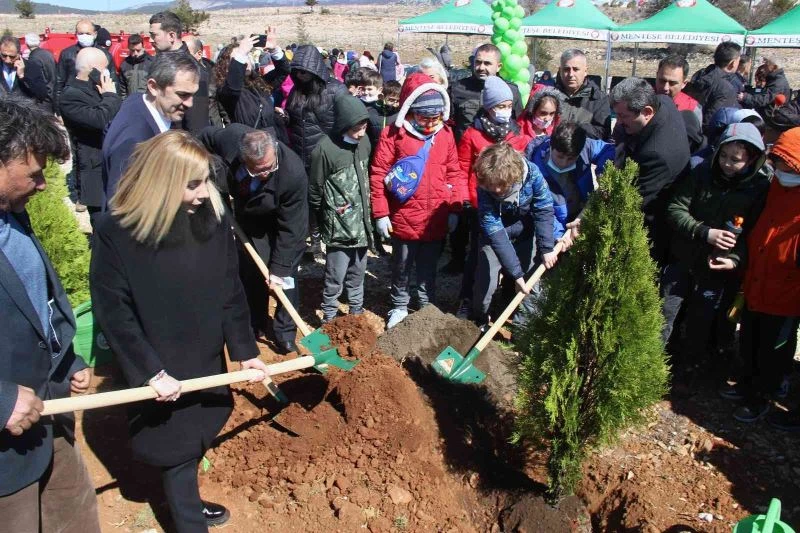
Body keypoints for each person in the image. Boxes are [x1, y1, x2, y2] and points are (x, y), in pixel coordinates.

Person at [90, 131, 270, 531]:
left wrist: (244, 348)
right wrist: (149, 370)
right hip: (158, 356)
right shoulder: (117, 231)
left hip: (203, 351)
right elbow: (114, 310)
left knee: (202, 425)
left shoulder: (211, 219)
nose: (205, 193)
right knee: (175, 446)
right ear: (162, 182)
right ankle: (189, 520)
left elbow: (229, 287)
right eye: (194, 184)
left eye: (206, 181)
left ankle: (188, 498)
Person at [0, 95, 100, 533]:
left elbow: (33, 303)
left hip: (49, 415)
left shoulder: (11, 213)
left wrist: (65, 358)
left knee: (74, 514)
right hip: (6, 449)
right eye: (35, 174)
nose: (43, 186)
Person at [662, 123, 769, 373]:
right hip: (685, 257)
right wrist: (704, 232)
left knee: (701, 321)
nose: (726, 163)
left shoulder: (759, 189)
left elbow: (755, 234)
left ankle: (689, 369)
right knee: (666, 312)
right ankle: (654, 364)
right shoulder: (702, 173)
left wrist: (735, 259)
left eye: (736, 159)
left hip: (716, 269)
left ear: (752, 159)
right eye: (723, 155)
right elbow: (675, 208)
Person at [199, 125, 308, 354]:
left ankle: (285, 332)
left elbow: (292, 230)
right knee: (251, 272)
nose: (265, 173)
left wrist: (279, 270)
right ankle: (256, 322)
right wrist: (198, 166)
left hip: (281, 222)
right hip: (249, 218)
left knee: (285, 279)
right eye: (257, 170)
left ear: (275, 150)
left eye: (269, 168)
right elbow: (201, 139)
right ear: (243, 158)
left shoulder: (292, 172)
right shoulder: (230, 137)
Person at [370, 72, 467, 328]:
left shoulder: (445, 134)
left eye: (435, 117)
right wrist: (381, 213)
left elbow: (454, 172)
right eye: (425, 117)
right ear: (410, 110)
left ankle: (426, 305)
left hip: (435, 216)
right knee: (401, 266)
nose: (430, 122)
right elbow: (379, 173)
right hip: (403, 217)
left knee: (428, 267)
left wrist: (455, 208)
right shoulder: (393, 134)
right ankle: (399, 305)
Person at [724, 128, 800, 425]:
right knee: (750, 341)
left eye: (788, 166)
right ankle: (746, 385)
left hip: (786, 295)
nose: (781, 171)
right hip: (758, 282)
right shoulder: (775, 188)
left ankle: (761, 399)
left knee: (773, 352)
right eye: (778, 163)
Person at [455, 76, 531, 318]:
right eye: (500, 106)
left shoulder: (516, 136)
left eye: (509, 105)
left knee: (509, 254)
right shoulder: (473, 135)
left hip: (510, 208)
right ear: (488, 107)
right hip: (480, 205)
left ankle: (505, 303)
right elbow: (461, 167)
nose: (505, 111)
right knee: (478, 258)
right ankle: (468, 300)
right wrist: (465, 199)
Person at [472, 142, 556, 328]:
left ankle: (521, 329)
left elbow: (543, 209)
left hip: (524, 232)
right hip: (495, 235)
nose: (496, 191)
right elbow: (495, 232)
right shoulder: (485, 183)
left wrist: (547, 247)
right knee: (486, 282)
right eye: (491, 187)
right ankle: (479, 321)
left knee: (529, 283)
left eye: (501, 186)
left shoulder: (532, 174)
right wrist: (515, 273)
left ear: (513, 176)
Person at [611, 77, 690, 265]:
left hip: (655, 223)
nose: (618, 122)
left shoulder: (657, 155)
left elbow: (634, 202)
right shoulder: (663, 101)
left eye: (623, 116)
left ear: (647, 112)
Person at [308, 95, 373, 322]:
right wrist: (324, 218)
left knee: (358, 274)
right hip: (339, 228)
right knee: (335, 276)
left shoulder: (364, 143)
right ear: (344, 124)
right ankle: (329, 316)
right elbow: (315, 189)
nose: (361, 133)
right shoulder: (325, 150)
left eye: (364, 126)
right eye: (356, 128)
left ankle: (356, 313)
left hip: (362, 226)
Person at [103, 52, 200, 198]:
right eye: (182, 95)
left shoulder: (137, 101)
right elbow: (122, 207)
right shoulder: (135, 142)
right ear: (153, 87)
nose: (190, 103)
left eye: (193, 95)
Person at [60, 48, 121, 228]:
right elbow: (101, 120)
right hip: (95, 172)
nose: (107, 74)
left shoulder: (97, 89)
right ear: (93, 69)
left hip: (113, 166)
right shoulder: (70, 96)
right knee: (103, 226)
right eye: (104, 69)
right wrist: (110, 95)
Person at [527, 121, 615, 244]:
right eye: (560, 157)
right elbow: (542, 210)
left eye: (571, 158)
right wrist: (559, 236)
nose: (564, 163)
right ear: (551, 146)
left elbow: (608, 150)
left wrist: (603, 172)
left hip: (583, 212)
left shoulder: (585, 147)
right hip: (557, 225)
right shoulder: (535, 170)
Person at [214, 36, 288, 144]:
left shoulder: (259, 83)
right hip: (250, 149)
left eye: (246, 56)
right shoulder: (226, 90)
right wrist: (241, 53)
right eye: (239, 59)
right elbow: (233, 86)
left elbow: (283, 70)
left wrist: (274, 49)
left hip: (273, 146)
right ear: (226, 66)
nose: (245, 62)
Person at [149, 11, 209, 134]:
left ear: (171, 36)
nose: (151, 40)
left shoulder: (195, 72)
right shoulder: (161, 64)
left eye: (154, 35)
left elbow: (197, 123)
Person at [449, 43, 523, 142]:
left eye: (487, 63)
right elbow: (449, 126)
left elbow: (518, 124)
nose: (481, 68)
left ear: (498, 66)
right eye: (478, 62)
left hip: (499, 152)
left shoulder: (511, 91)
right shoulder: (457, 89)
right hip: (466, 153)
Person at [55, 19, 117, 110]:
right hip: (74, 104)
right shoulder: (67, 54)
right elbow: (59, 82)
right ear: (76, 34)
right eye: (81, 33)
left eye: (88, 34)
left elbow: (113, 81)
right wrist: (57, 109)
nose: (84, 36)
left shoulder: (105, 55)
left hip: (99, 103)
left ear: (95, 34)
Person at [551, 49, 610, 140]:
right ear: (560, 70)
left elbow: (603, 133)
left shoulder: (598, 99)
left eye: (576, 69)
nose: (571, 74)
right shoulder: (549, 95)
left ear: (585, 71)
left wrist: (573, 129)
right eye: (566, 69)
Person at [686, 42, 741, 133]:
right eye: (739, 60)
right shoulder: (725, 87)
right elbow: (715, 119)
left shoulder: (700, 75)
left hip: (689, 128)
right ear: (733, 63)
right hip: (706, 136)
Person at [654, 55, 704, 153]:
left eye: (672, 83)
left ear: (684, 83)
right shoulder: (643, 100)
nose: (665, 87)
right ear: (656, 76)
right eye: (662, 81)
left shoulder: (692, 108)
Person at [0, 36, 49, 105]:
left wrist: (22, 76)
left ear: (19, 53)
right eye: (4, 55)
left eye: (12, 57)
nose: (7, 60)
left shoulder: (31, 67)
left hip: (23, 113)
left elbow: (41, 94)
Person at [24, 33, 56, 112]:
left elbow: (39, 79)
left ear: (27, 44)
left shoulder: (33, 58)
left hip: (44, 99)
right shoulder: (48, 54)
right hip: (53, 94)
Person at [119, 33, 153, 99]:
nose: (135, 54)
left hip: (148, 103)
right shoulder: (125, 64)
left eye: (138, 50)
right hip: (131, 103)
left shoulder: (152, 63)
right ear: (128, 48)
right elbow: (122, 89)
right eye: (132, 50)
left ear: (143, 47)